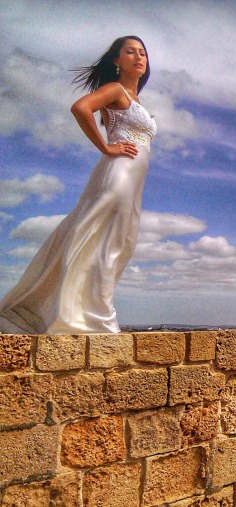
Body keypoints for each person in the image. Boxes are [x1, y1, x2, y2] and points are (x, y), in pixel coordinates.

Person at [0, 36, 156, 334]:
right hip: (119, 174)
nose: (138, 57)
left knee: (119, 242)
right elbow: (81, 107)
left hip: (133, 181)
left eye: (143, 53)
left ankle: (85, 311)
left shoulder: (136, 100)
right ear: (116, 60)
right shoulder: (116, 89)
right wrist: (106, 148)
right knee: (102, 239)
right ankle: (92, 318)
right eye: (130, 52)